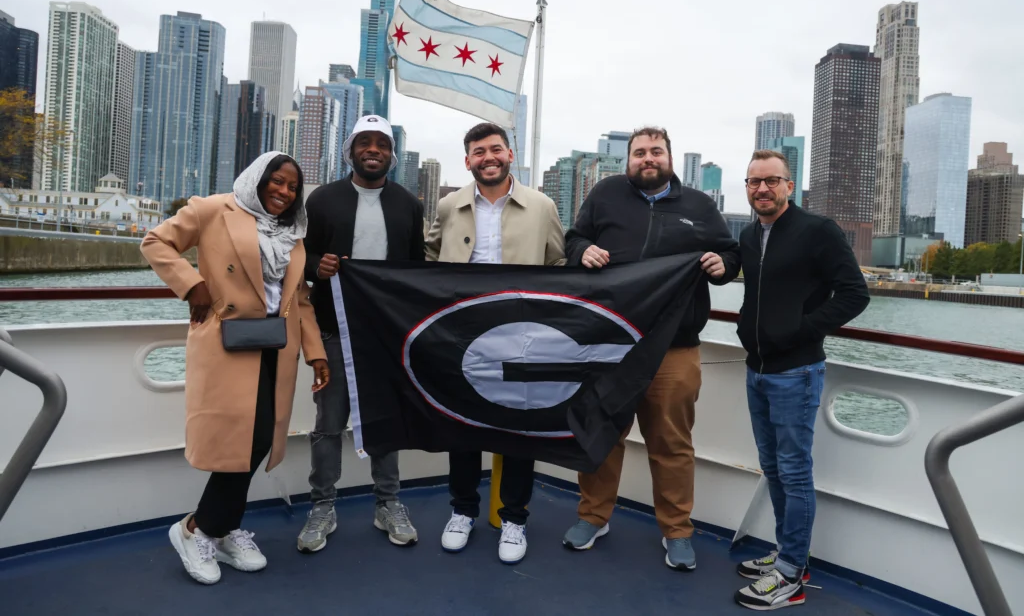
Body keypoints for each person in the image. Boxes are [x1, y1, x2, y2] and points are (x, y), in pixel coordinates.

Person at [141, 152, 330, 585]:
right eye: (276, 181)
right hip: (228, 342)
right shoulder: (214, 209)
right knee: (240, 442)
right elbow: (155, 241)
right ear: (257, 178)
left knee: (258, 439)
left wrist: (315, 353)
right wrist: (193, 286)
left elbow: (299, 300)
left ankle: (215, 528)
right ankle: (198, 530)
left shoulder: (292, 234)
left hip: (276, 346)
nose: (284, 192)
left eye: (292, 187)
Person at [562, 126, 740, 572]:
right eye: (639, 152)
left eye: (655, 151)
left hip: (674, 349)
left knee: (672, 444)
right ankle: (593, 517)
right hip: (610, 345)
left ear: (669, 158)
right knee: (601, 434)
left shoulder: (699, 206)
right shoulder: (605, 195)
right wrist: (583, 251)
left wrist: (723, 267)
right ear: (628, 160)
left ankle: (677, 531)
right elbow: (572, 240)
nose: (647, 158)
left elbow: (729, 255)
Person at [733, 150, 869, 609]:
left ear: (790, 186)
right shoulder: (750, 236)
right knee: (772, 467)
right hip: (757, 369)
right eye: (753, 182)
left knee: (793, 472)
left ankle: (791, 575)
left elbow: (854, 292)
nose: (762, 189)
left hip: (797, 371)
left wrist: (803, 329)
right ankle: (788, 556)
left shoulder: (818, 231)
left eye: (771, 181)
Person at [425, 122, 565, 565]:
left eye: (496, 149)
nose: (488, 157)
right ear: (467, 160)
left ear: (509, 154)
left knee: (517, 430)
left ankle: (515, 519)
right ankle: (462, 511)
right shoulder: (449, 205)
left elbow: (559, 263)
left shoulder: (542, 206)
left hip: (520, 339)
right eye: (478, 151)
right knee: (461, 426)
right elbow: (428, 256)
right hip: (459, 337)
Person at [297, 115, 425, 552]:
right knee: (328, 423)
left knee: (384, 421)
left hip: (386, 332)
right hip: (332, 327)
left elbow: (415, 270)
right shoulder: (323, 200)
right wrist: (318, 267)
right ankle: (322, 506)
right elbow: (303, 254)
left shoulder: (409, 204)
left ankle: (388, 503)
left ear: (391, 154)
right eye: (364, 143)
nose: (373, 150)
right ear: (350, 150)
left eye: (382, 144)